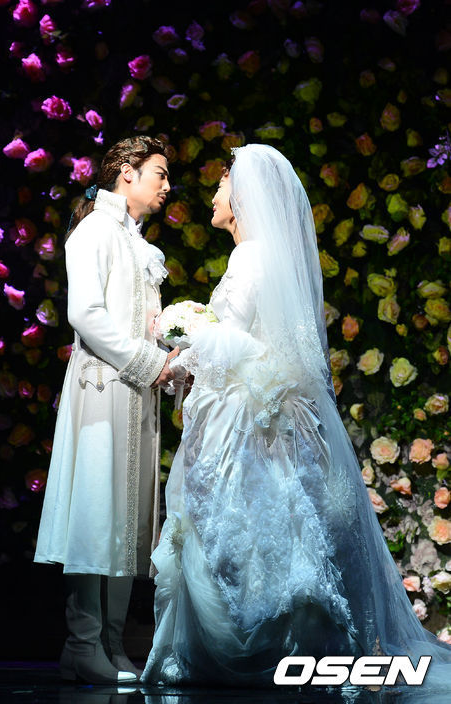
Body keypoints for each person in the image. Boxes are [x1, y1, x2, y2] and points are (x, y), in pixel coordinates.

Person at [141, 144, 451, 694]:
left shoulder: (250, 257)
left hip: (244, 416)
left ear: (242, 197)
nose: (213, 196)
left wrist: (177, 339)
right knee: (265, 522)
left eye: (221, 186)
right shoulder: (265, 256)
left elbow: (232, 339)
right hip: (249, 406)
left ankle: (258, 651)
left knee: (244, 524)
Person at [34, 136, 179, 684]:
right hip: (102, 388)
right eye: (159, 173)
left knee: (126, 516)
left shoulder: (136, 242)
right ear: (126, 173)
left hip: (133, 391)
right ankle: (83, 643)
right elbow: (86, 314)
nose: (167, 186)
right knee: (98, 513)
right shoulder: (95, 229)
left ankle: (112, 644)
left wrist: (171, 356)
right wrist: (148, 360)